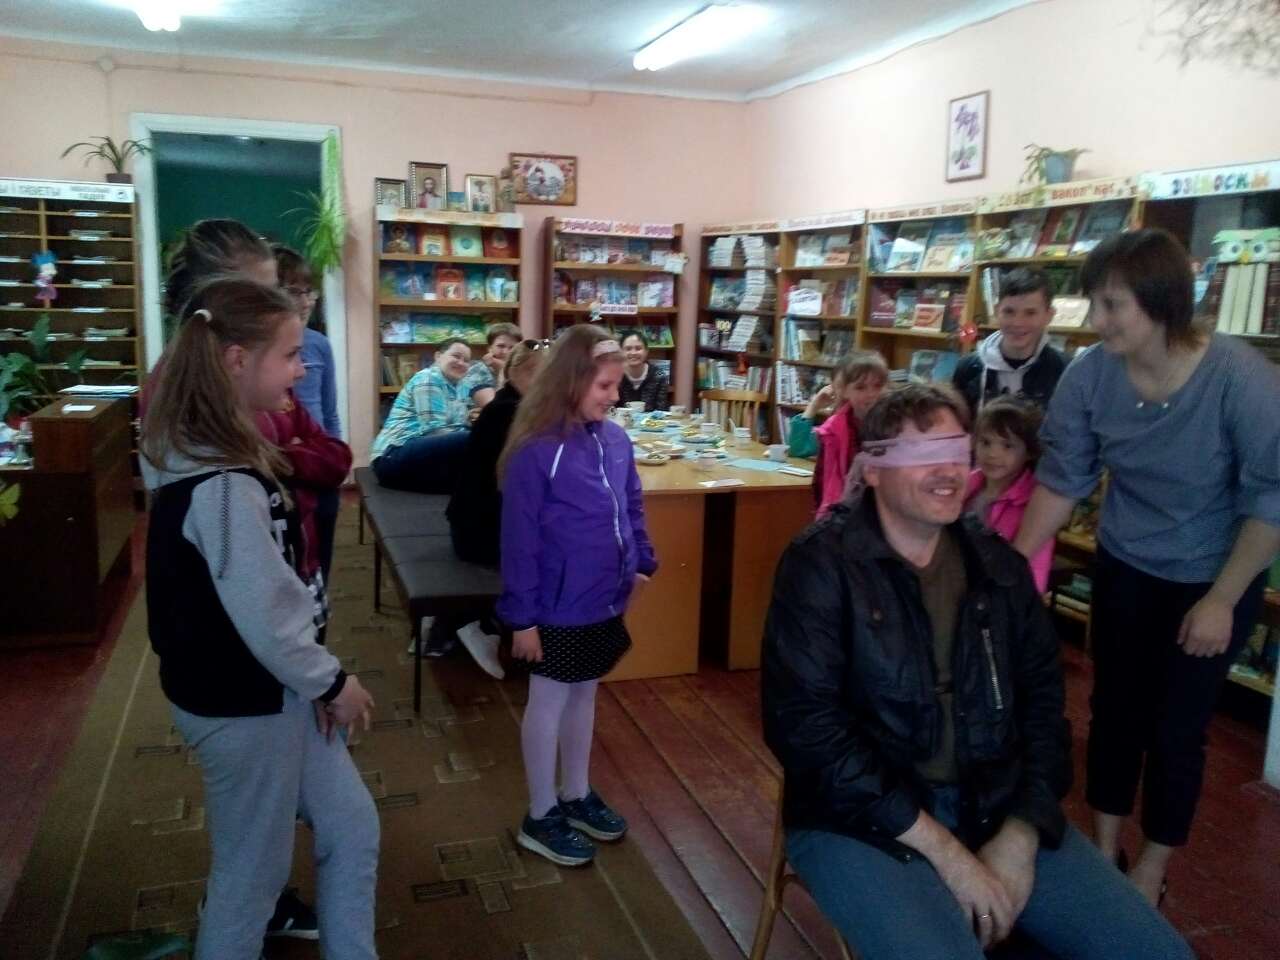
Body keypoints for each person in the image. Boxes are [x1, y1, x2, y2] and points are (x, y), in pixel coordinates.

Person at [761, 382, 1193, 960]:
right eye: (923, 454)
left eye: (955, 451)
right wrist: (950, 856)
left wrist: (1020, 834)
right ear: (874, 469)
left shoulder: (996, 564)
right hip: (861, 822)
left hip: (993, 804)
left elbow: (1044, 709)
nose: (947, 471)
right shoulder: (821, 565)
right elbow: (806, 730)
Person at [1012, 228, 1280, 907]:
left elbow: (1270, 502)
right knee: (1113, 712)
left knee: (1176, 731)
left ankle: (1153, 869)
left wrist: (1221, 601)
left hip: (1213, 578)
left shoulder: (1242, 380)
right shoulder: (1090, 375)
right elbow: (1064, 477)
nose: (1096, 321)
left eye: (1113, 306)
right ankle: (1105, 849)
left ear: (1161, 303)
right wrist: (1015, 566)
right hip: (1128, 564)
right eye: (1093, 303)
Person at [141, 277, 378, 960]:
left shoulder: (213, 450)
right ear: (237, 361)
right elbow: (264, 610)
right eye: (291, 355)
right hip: (244, 701)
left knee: (352, 827)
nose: (303, 370)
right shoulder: (221, 481)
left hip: (275, 689)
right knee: (251, 878)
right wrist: (330, 683)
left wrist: (311, 680)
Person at [497, 325, 657, 867]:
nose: (615, 396)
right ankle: (541, 813)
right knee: (549, 700)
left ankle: (576, 792)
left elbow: (631, 505)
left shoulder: (615, 440)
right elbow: (519, 543)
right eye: (604, 386)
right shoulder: (536, 452)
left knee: (585, 693)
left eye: (616, 385)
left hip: (604, 598)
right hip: (555, 606)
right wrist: (522, 619)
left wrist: (643, 561)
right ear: (570, 381)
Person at [430, 339, 548, 678]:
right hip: (479, 532)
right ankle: (480, 624)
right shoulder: (510, 412)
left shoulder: (510, 404)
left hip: (475, 522)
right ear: (529, 373)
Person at [274, 244, 344, 586]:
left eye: (308, 291)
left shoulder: (319, 344)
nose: (305, 302)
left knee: (319, 561)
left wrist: (334, 462)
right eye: (293, 291)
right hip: (284, 472)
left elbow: (329, 412)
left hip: (319, 466)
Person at [370, 338, 491, 493]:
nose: (461, 363)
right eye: (456, 356)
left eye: (466, 360)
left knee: (475, 480)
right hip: (391, 455)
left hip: (418, 457)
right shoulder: (428, 378)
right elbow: (435, 432)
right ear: (438, 356)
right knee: (476, 439)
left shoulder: (461, 386)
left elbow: (454, 427)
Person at [963, 397, 1053, 593]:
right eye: (985, 442)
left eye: (1007, 446)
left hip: (999, 600)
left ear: (1029, 452)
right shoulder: (964, 486)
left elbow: (1035, 574)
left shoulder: (1036, 506)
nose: (993, 454)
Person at [786, 349, 887, 518]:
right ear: (843, 390)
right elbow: (798, 447)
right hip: (846, 512)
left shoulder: (893, 423)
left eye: (878, 386)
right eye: (860, 387)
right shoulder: (835, 427)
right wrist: (814, 405)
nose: (871, 394)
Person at [952, 267, 1065, 416]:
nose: (1017, 323)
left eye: (1030, 313)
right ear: (997, 311)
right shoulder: (968, 369)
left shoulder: (1065, 371)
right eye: (1009, 311)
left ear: (1049, 315)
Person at [617, 329, 669, 411]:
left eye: (638, 348)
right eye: (628, 349)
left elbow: (661, 410)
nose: (633, 353)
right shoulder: (615, 376)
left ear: (646, 351)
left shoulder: (659, 376)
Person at [481, 321, 522, 389]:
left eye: (512, 347)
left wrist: (503, 369)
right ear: (490, 348)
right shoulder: (479, 370)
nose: (506, 352)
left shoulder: (522, 372)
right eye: (501, 346)